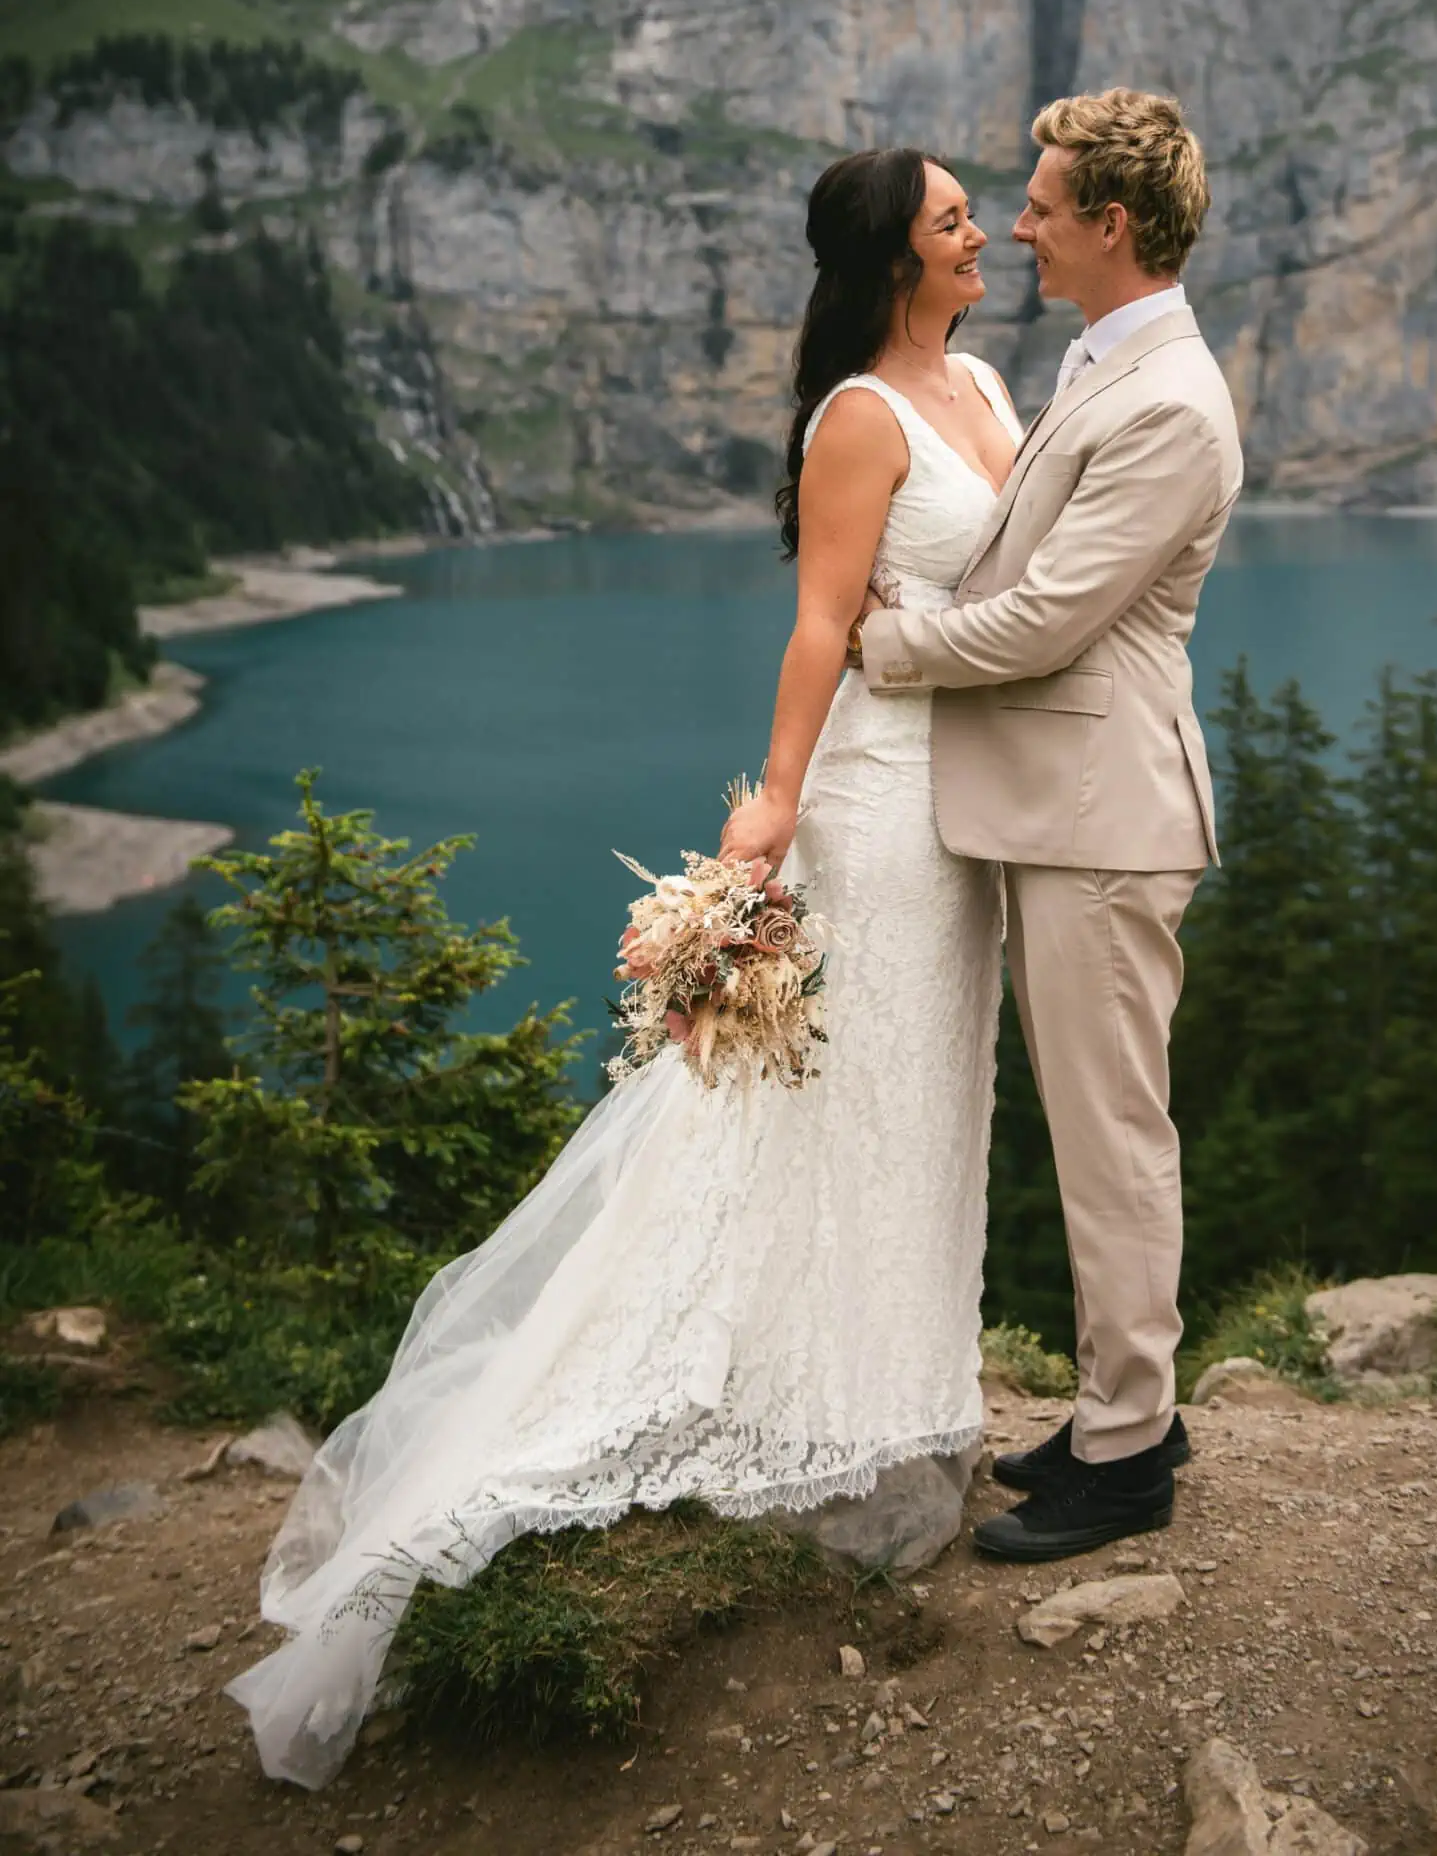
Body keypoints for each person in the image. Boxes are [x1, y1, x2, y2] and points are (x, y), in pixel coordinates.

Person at [228, 145, 1019, 1789]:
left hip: (973, 812)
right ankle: (828, 1421)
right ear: (894, 259)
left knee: (936, 1103)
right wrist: (776, 805)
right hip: (872, 808)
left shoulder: (989, 381)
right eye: (954, 217)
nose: (982, 231)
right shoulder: (858, 417)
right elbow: (820, 621)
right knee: (839, 1104)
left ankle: (908, 1386)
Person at [846, 86, 1244, 1563]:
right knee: (1099, 1130)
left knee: (1112, 1139)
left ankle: (1129, 1456)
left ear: (1114, 226)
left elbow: (1050, 621)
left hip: (1105, 818)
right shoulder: (1104, 365)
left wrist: (894, 644)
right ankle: (1114, 1413)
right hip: (1073, 811)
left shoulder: (1168, 404)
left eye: (1045, 204)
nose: (1018, 225)